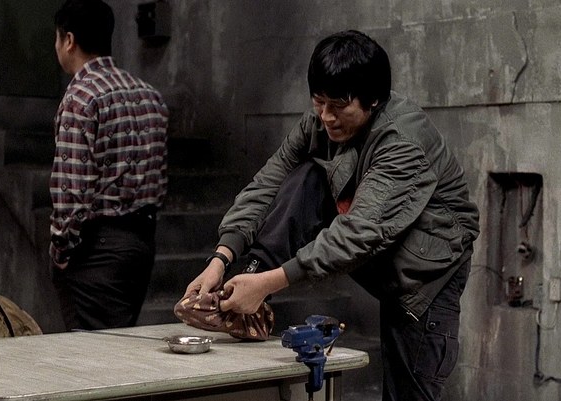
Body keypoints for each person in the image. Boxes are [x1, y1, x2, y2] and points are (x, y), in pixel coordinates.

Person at [183, 30, 479, 401]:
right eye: (318, 102)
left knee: (408, 395)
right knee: (307, 177)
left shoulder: (403, 142)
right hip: (382, 253)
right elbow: (267, 185)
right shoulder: (321, 122)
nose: (326, 116)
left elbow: (358, 233)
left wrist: (271, 284)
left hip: (426, 279)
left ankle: (256, 285)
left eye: (338, 105)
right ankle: (247, 282)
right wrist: (221, 259)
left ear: (373, 100)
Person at [50, 0, 168, 331]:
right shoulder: (150, 95)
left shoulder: (80, 97)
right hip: (141, 244)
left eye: (57, 38)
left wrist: (61, 252)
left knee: (94, 354)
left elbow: (72, 193)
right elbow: (159, 180)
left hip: (96, 250)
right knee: (119, 346)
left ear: (69, 40)